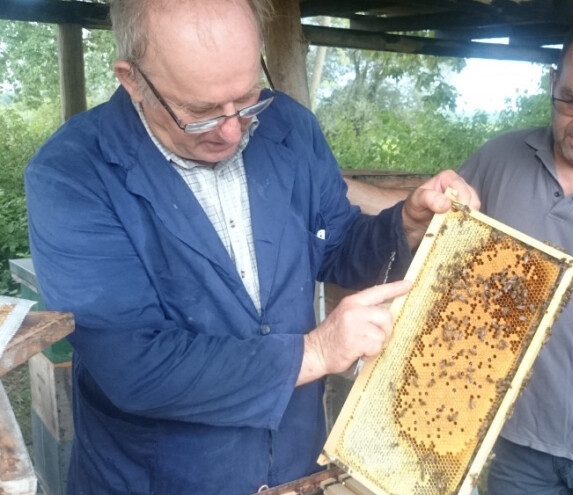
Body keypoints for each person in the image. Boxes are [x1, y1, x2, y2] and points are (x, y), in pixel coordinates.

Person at [24, 0, 477, 494]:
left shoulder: (290, 127)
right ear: (132, 80)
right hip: (159, 478)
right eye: (198, 113)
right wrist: (316, 350)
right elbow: (135, 366)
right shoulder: (72, 172)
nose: (233, 129)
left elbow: (338, 246)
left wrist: (406, 223)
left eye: (247, 98)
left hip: (294, 465)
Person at [347, 11, 573, 495]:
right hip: (510, 440)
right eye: (570, 100)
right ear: (553, 81)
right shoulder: (498, 159)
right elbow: (439, 262)